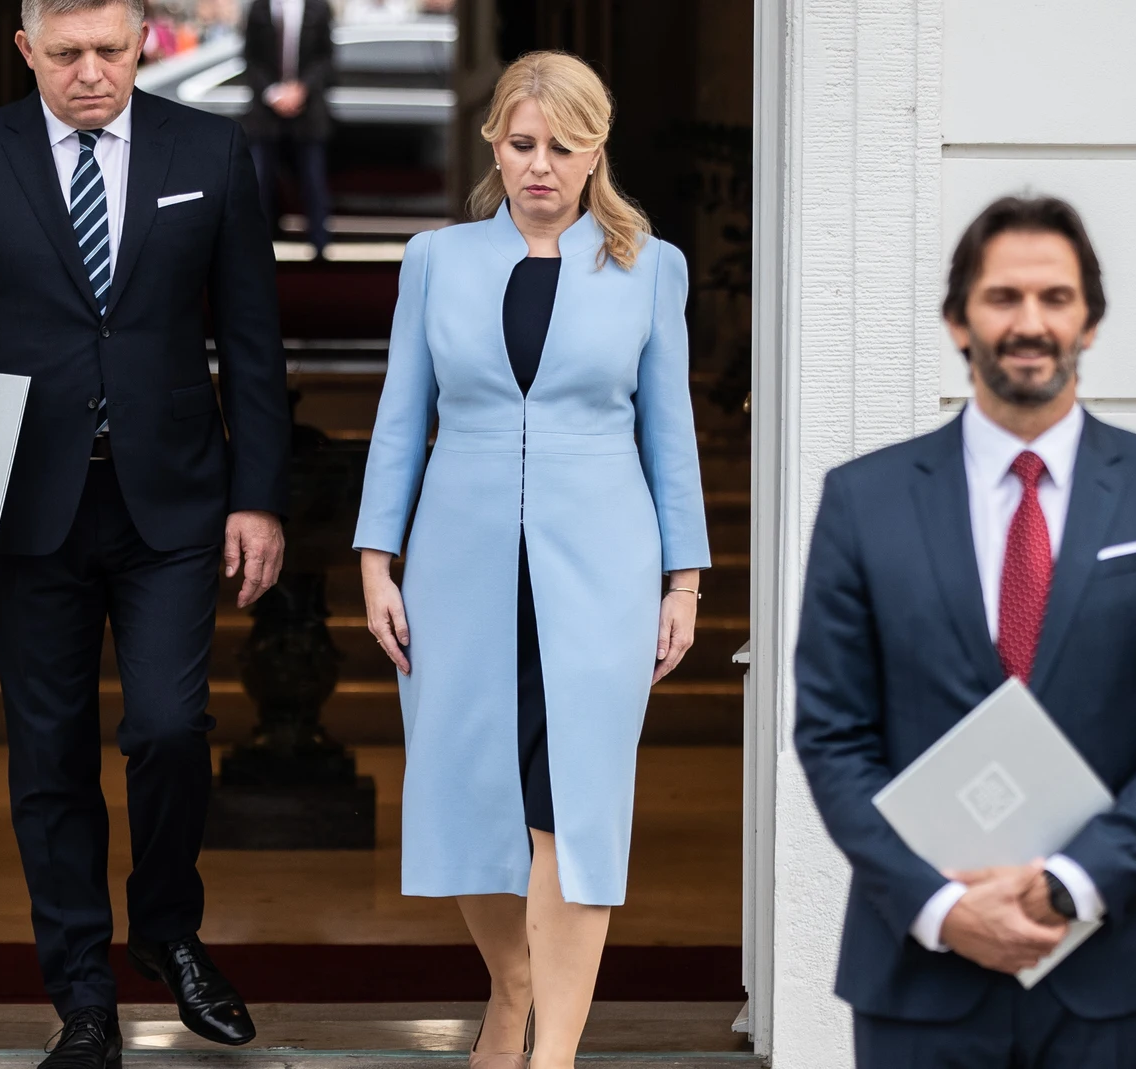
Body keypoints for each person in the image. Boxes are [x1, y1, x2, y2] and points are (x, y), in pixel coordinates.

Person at [0, 1, 291, 1066]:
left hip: (174, 498)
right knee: (49, 756)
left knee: (168, 726)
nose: (90, 73)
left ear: (143, 42)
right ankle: (82, 1001)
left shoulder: (208, 150)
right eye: (65, 54)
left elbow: (251, 335)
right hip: (25, 503)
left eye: (110, 50)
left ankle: (165, 926)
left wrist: (258, 494)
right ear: (27, 50)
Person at [794, 196, 1136, 1068]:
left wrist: (1070, 883)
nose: (1030, 323)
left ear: (1089, 320)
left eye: (1055, 297)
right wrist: (941, 906)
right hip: (920, 967)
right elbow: (833, 735)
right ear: (959, 319)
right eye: (1002, 297)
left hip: (1116, 964)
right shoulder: (863, 502)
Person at [354, 52, 709, 1069]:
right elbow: (400, 418)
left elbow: (669, 435)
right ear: (494, 147)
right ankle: (511, 988)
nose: (540, 165)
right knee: (465, 789)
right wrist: (376, 560)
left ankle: (550, 1053)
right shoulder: (435, 259)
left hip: (603, 571)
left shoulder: (651, 267)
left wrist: (683, 581)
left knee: (574, 807)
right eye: (521, 144)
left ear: (597, 150)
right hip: (455, 567)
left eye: (563, 146)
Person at [243, 0, 335, 255]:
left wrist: (302, 89)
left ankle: (320, 249)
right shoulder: (259, 7)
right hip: (265, 113)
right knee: (258, 181)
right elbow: (250, 58)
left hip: (308, 111)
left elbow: (326, 59)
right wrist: (273, 93)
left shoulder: (318, 7)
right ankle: (255, 249)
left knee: (313, 181)